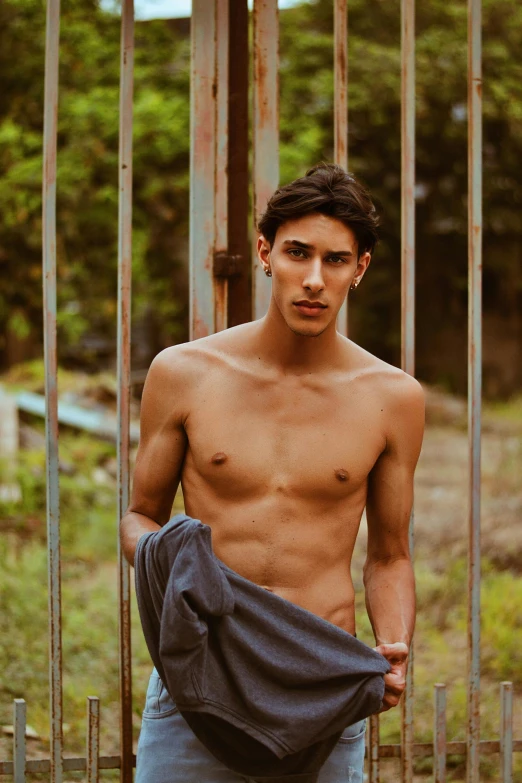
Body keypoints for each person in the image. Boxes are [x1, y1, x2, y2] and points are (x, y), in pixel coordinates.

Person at [120, 163, 425, 783]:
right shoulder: (184, 374)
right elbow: (139, 517)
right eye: (297, 253)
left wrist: (392, 647)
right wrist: (173, 556)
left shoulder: (393, 398)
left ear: (359, 269)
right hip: (201, 672)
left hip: (322, 680)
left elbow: (390, 555)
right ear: (266, 253)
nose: (314, 280)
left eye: (336, 261)